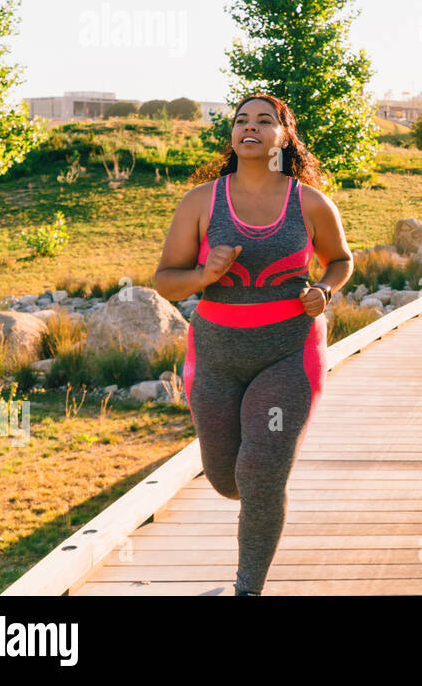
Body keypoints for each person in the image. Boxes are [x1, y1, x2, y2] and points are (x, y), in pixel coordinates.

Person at [154, 94, 353, 596]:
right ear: (231, 134)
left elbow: (341, 260)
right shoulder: (202, 201)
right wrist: (204, 274)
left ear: (284, 137)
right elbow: (166, 281)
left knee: (261, 472)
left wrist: (323, 291)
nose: (251, 127)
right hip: (216, 357)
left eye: (265, 121)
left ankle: (248, 587)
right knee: (226, 479)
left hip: (288, 354)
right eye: (241, 120)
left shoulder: (308, 202)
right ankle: (261, 486)